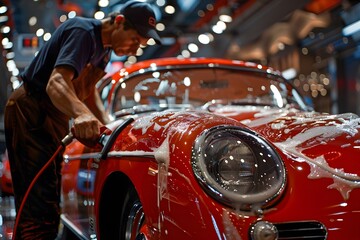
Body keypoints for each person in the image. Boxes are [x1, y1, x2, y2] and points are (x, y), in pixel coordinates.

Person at [4, 1, 161, 239]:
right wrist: (82, 115)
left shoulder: (105, 51)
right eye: (134, 40)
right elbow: (56, 83)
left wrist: (111, 126)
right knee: (38, 204)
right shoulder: (83, 32)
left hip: (52, 117)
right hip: (31, 110)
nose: (135, 49)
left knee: (49, 201)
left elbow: (88, 92)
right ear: (118, 22)